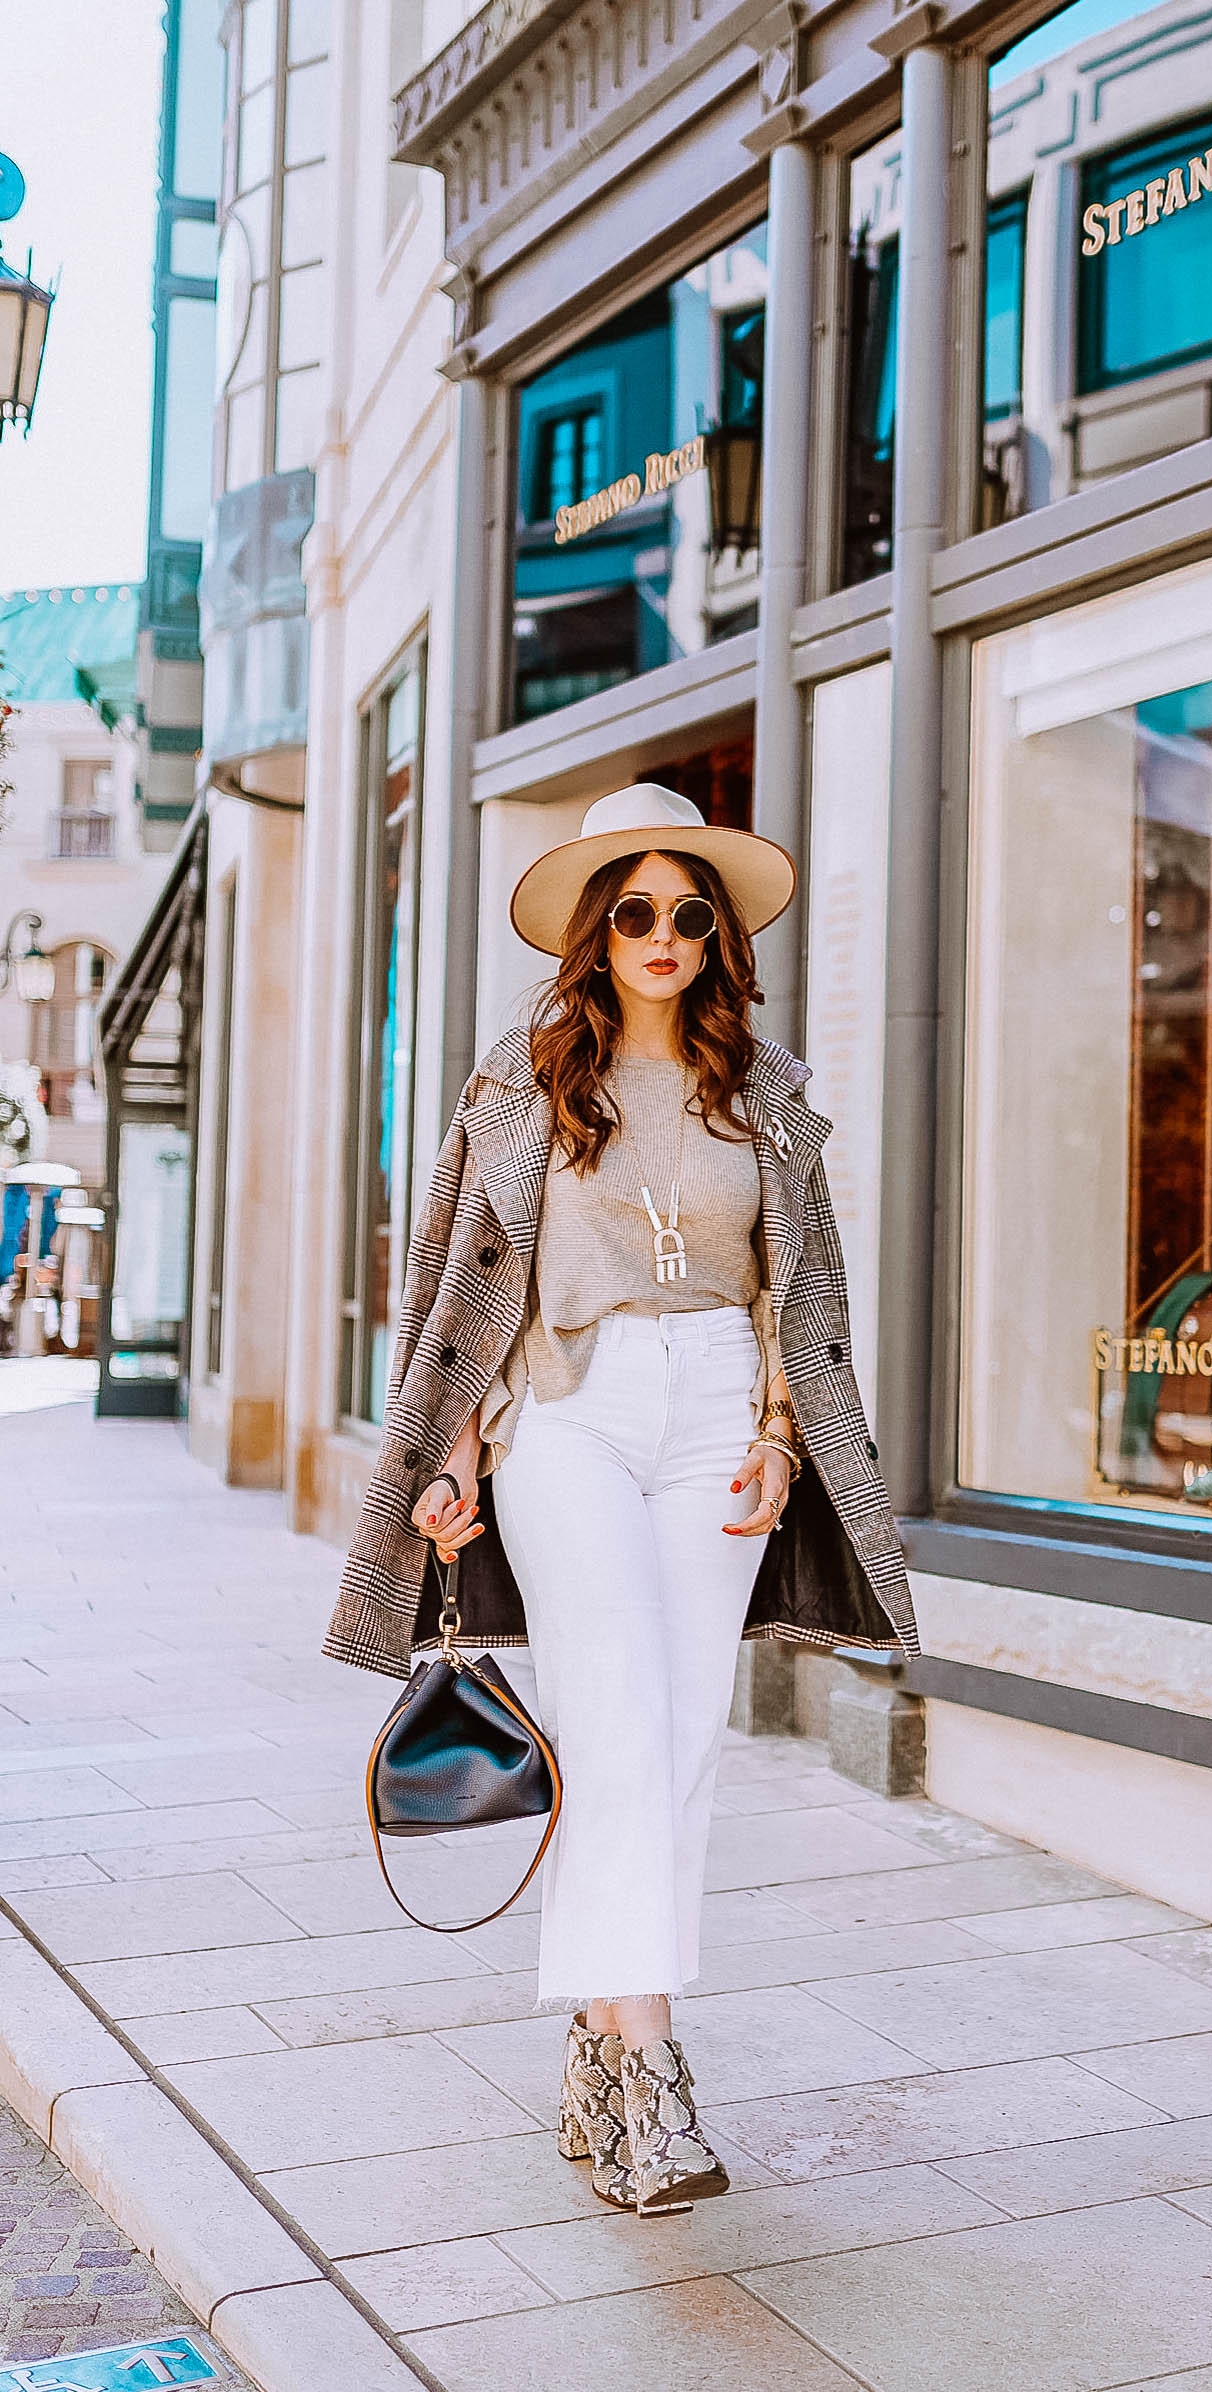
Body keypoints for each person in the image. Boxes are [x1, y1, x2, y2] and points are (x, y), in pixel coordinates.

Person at [324, 784, 918, 2215]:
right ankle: (651, 2069)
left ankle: (598, 2048)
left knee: (675, 1733)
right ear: (596, 931)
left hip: (717, 1402)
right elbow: (458, 1287)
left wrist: (783, 1431)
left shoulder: (759, 1086)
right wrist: (450, 1452)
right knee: (612, 1716)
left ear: (719, 934)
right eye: (636, 910)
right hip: (568, 1413)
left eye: (689, 912)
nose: (665, 934)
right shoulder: (522, 1079)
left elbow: (803, 1283)